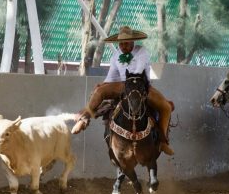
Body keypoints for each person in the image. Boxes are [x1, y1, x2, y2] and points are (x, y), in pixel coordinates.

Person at [71, 26, 174, 156]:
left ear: (133, 42)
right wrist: (103, 85)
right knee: (99, 91)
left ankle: (163, 141)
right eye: (121, 44)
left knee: (166, 107)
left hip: (141, 86)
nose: (123, 46)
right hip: (122, 86)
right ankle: (83, 119)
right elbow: (112, 77)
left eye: (126, 43)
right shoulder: (115, 56)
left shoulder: (142, 52)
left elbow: (137, 72)